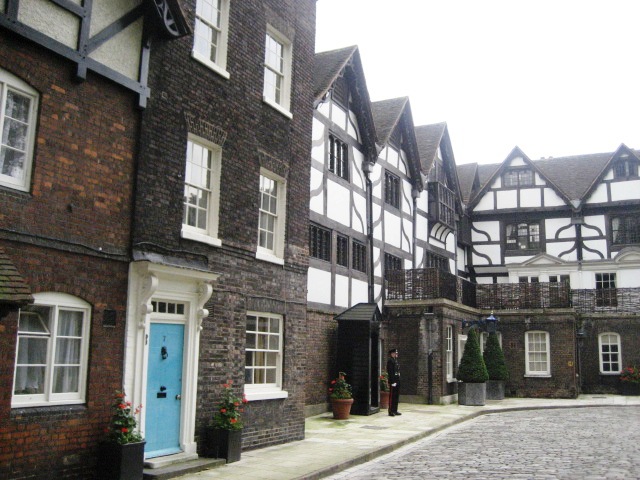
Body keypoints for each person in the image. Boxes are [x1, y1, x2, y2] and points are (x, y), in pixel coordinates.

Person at [386, 348, 401, 416]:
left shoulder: (395, 361)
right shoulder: (390, 361)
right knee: (392, 396)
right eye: (395, 353)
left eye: (396, 353)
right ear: (392, 353)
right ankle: (391, 411)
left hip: (397, 380)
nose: (396, 354)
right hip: (393, 381)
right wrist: (392, 381)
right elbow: (390, 372)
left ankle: (395, 410)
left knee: (396, 396)